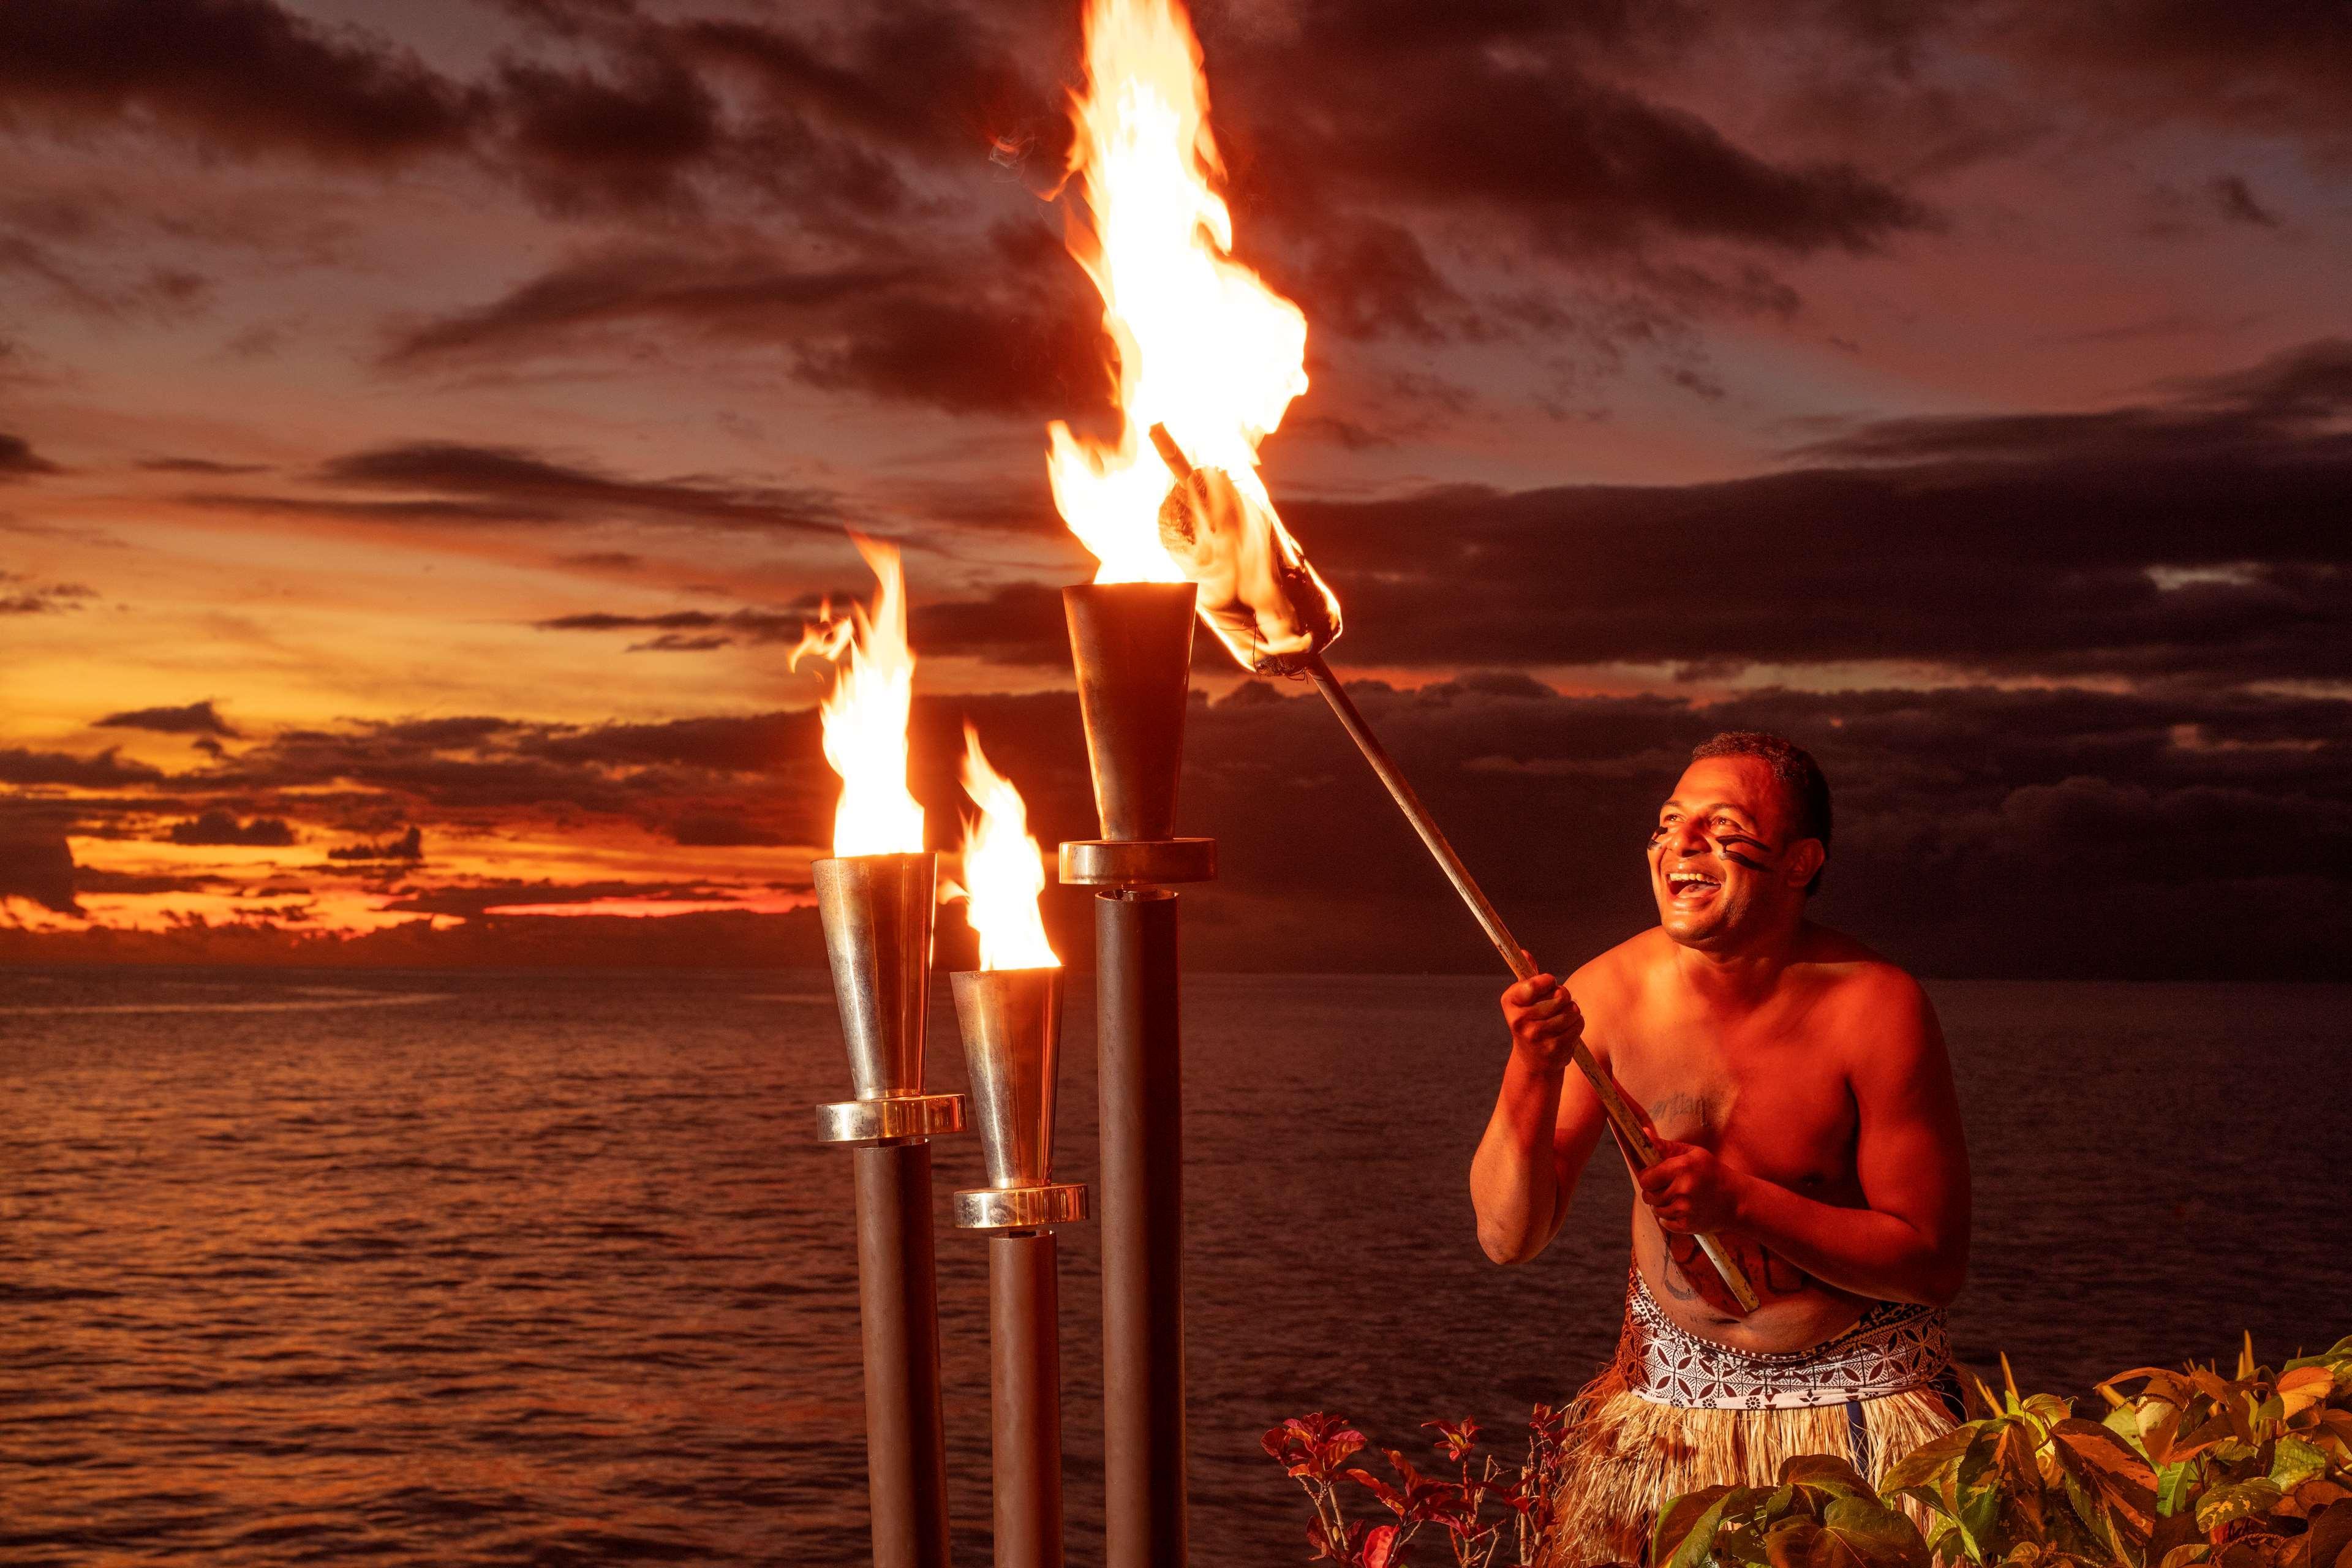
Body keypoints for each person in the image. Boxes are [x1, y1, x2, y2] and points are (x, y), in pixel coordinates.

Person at [1468, 731, 1972, 1566]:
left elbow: (1932, 1261)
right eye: (1668, 825)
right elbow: (1506, 1237)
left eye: (1721, 825)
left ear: (1802, 862)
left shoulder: (1875, 1007)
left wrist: (1741, 1203)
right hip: (1671, 1421)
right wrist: (1530, 1068)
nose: (1680, 844)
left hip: (1863, 1411)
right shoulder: (1607, 997)